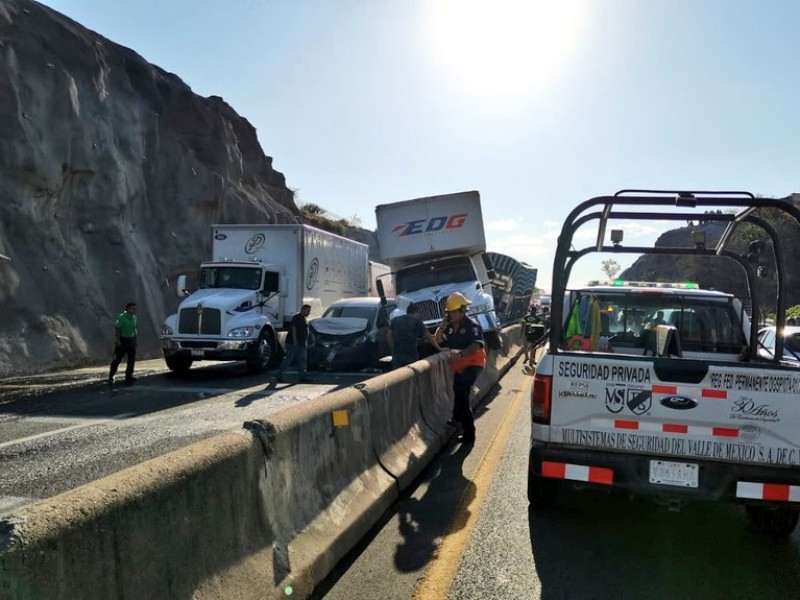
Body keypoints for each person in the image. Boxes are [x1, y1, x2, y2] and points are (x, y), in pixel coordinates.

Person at [434, 292, 486, 445]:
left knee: (462, 394)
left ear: (462, 311)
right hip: (458, 366)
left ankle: (469, 434)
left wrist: (462, 354)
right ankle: (456, 418)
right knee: (458, 391)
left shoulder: (473, 326)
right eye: (448, 313)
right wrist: (442, 326)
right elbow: (438, 340)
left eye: (452, 312)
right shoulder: (449, 328)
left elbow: (476, 345)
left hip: (473, 364)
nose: (450, 315)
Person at [388, 302, 441, 368]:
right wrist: (439, 348)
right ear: (416, 312)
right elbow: (428, 336)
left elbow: (389, 335)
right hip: (410, 356)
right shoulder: (417, 320)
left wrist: (392, 349)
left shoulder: (396, 320)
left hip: (397, 357)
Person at [275, 304, 312, 383]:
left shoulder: (304, 318)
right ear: (303, 309)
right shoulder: (297, 317)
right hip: (294, 343)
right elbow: (293, 329)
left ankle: (302, 376)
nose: (309, 312)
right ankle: (279, 374)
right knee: (289, 359)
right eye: (308, 310)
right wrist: (295, 341)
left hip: (302, 344)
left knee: (302, 360)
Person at [108, 302, 138, 385]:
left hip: (131, 340)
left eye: (135, 308)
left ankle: (129, 375)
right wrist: (118, 340)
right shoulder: (122, 317)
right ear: (128, 309)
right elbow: (117, 328)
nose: (134, 310)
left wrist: (135, 340)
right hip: (123, 339)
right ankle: (111, 375)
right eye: (132, 308)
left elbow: (135, 329)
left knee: (131, 359)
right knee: (117, 358)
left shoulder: (134, 318)